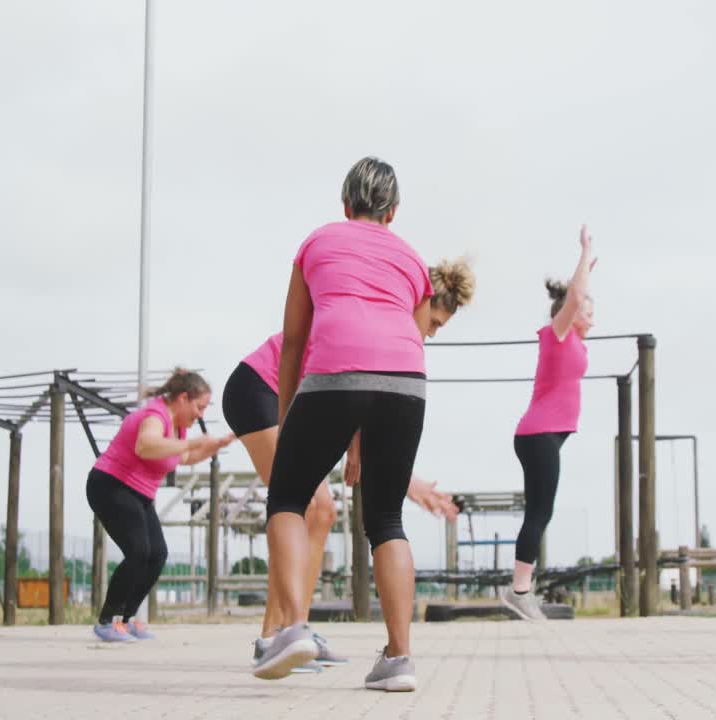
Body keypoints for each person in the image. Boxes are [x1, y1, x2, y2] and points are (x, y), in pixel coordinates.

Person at [223, 258, 474, 671]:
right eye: (434, 322)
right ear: (419, 303)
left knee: (322, 512)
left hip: (290, 394)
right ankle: (273, 639)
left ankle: (294, 631)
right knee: (306, 505)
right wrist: (400, 476)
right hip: (258, 388)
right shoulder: (380, 323)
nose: (430, 332)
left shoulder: (387, 332)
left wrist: (391, 468)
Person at [253, 156, 432, 692]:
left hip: (333, 375)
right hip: (406, 384)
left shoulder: (317, 243)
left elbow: (293, 342)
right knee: (387, 519)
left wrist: (287, 419)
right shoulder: (414, 260)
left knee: (287, 498)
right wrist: (360, 443)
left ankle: (293, 629)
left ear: (344, 203)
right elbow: (412, 340)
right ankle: (399, 658)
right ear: (393, 211)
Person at [87, 370, 234, 642]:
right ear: (183, 398)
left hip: (138, 493)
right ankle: (107, 621)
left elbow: (185, 457)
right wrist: (193, 442)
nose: (201, 414)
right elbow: (145, 446)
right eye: (199, 407)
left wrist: (216, 445)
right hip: (111, 485)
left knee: (157, 555)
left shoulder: (178, 428)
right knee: (139, 551)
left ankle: (126, 620)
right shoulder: (155, 415)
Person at [499, 226, 596, 621]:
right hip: (538, 434)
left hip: (546, 436)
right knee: (540, 512)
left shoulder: (574, 343)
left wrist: (583, 278)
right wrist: (584, 255)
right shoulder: (556, 335)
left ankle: (521, 589)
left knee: (541, 511)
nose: (590, 312)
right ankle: (519, 591)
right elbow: (574, 297)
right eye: (586, 308)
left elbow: (576, 295)